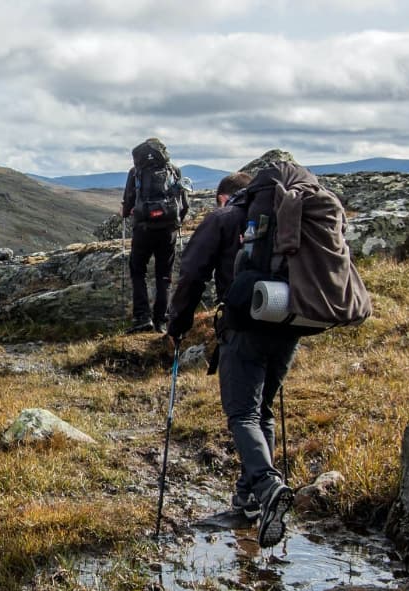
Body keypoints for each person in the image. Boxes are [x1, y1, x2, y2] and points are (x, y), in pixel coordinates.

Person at [165, 169, 294, 547]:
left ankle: (268, 488)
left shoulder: (223, 218)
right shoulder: (289, 217)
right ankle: (250, 500)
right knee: (262, 410)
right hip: (289, 321)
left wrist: (177, 324)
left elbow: (191, 274)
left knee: (243, 413)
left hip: (245, 325)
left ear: (226, 197)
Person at [121, 138, 188, 334]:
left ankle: (142, 318)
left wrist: (125, 212)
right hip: (168, 230)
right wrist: (177, 223)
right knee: (164, 275)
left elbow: (128, 203)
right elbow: (184, 204)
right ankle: (161, 321)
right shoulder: (174, 170)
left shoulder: (135, 172)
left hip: (143, 230)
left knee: (138, 271)